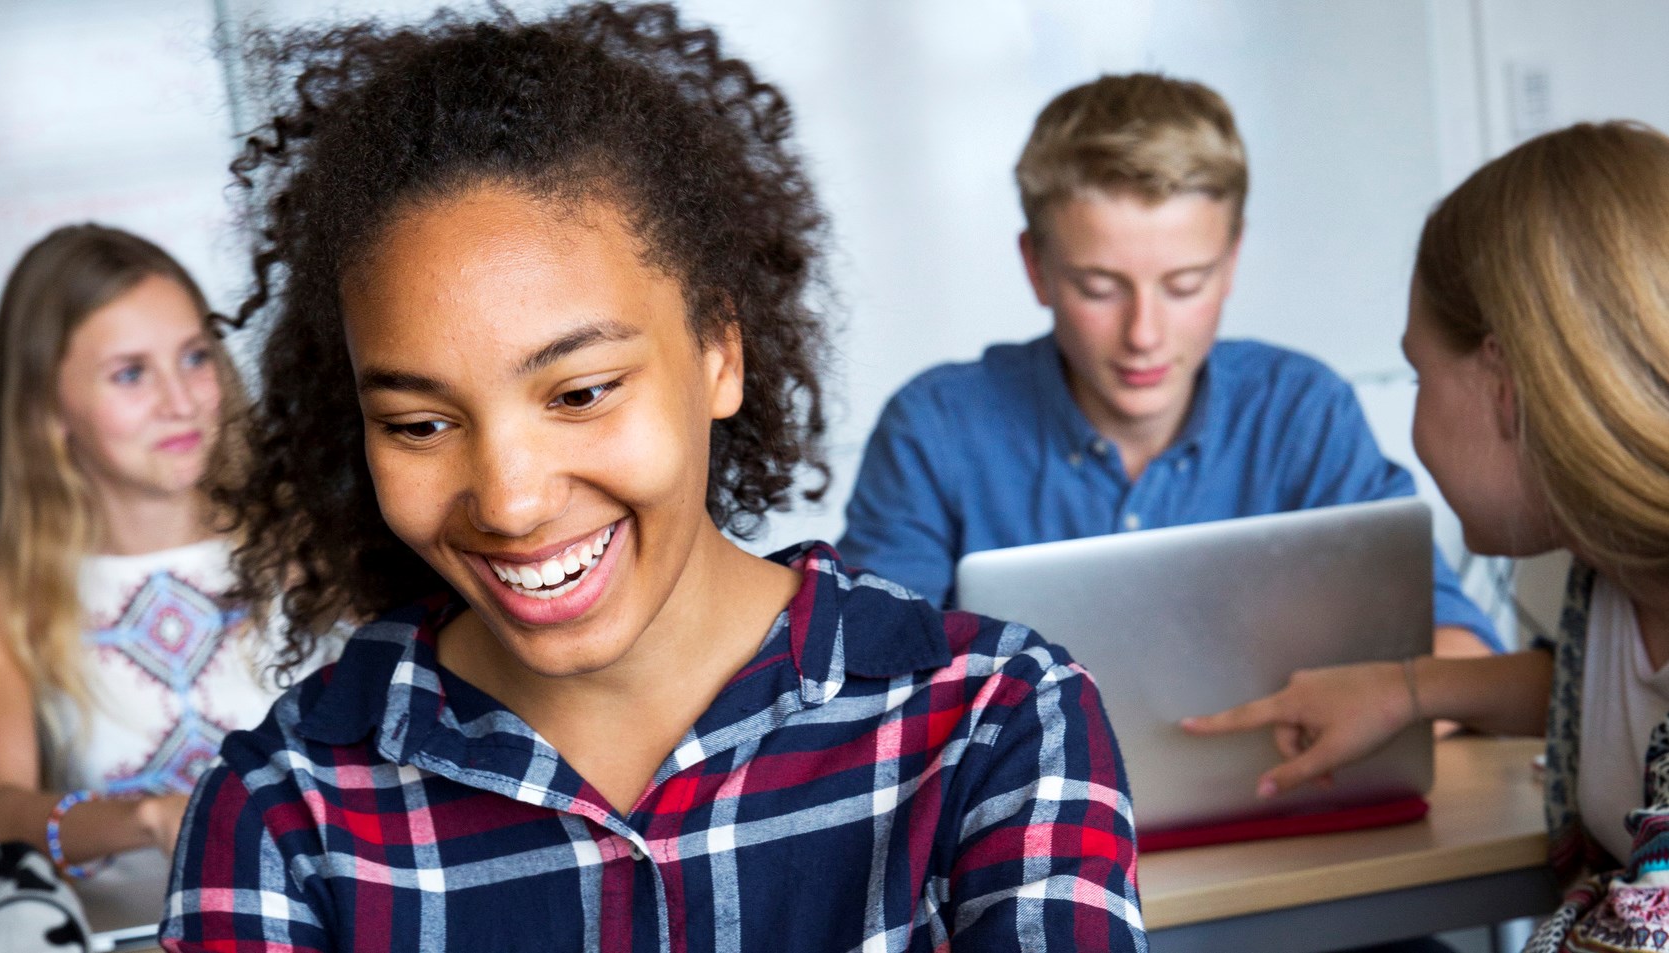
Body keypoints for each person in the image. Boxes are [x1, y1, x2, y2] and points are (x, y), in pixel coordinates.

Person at [160, 6, 1145, 950]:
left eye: (581, 392)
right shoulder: (285, 814)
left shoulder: (994, 721)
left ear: (719, 349)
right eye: (420, 423)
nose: (509, 499)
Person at [1185, 121, 1669, 950]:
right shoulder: (1616, 572)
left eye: (1419, 375)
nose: (1411, 421)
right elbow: (1603, 693)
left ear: (1506, 386)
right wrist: (1408, 688)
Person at [838, 72, 1501, 659]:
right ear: (1035, 268)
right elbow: (862, 689)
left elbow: (1459, 650)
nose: (1144, 334)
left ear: (1231, 262)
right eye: (1099, 288)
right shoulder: (935, 429)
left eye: (1184, 285)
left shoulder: (1302, 410)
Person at [0, 225, 283, 905]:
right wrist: (147, 819)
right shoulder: (16, 595)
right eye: (131, 373)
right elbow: (2, 807)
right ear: (46, 410)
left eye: (194, 357)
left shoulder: (305, 546)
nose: (180, 401)